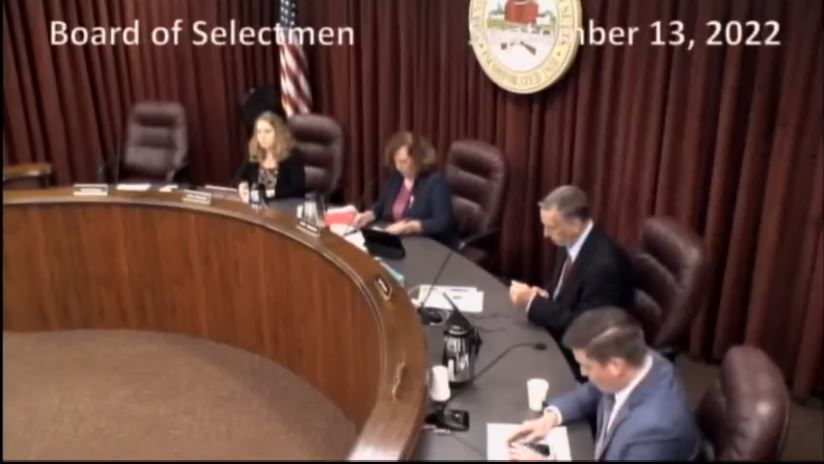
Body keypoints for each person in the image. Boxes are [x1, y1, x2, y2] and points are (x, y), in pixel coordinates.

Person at [507, 307, 702, 461]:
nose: (583, 373)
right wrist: (550, 418)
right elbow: (594, 391)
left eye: (587, 366)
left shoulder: (652, 434)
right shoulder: (640, 360)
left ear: (615, 366)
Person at [508, 186, 635, 371]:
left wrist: (534, 302)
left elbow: (584, 328)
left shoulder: (603, 268)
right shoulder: (569, 240)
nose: (545, 234)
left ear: (575, 225)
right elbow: (563, 288)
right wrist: (544, 294)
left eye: (551, 227)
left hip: (585, 353)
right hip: (561, 330)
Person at [353, 131, 455, 245]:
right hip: (397, 240)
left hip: (425, 244)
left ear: (418, 158)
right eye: (396, 162)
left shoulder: (436, 183)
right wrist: (370, 215)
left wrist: (410, 227)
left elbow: (442, 223)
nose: (398, 167)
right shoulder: (396, 178)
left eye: (403, 162)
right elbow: (382, 204)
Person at [234, 111, 306, 202]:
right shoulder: (254, 154)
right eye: (259, 132)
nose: (262, 137)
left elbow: (298, 190)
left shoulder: (292, 156)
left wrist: (268, 194)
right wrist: (242, 186)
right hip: (257, 209)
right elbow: (238, 178)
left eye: (267, 132)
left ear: (278, 133)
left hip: (283, 209)